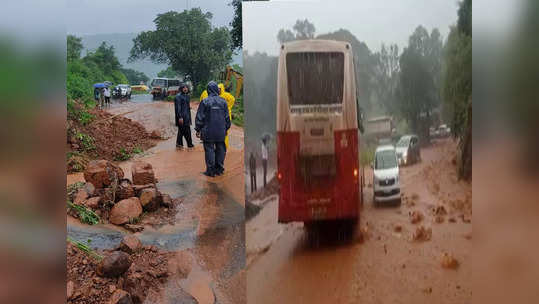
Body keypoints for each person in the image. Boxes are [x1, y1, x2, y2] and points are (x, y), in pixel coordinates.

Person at [195, 81, 230, 177]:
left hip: (208, 131)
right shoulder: (223, 101)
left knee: (209, 150)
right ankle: (219, 169)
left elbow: (200, 117)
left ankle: (210, 171)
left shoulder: (205, 101)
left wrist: (198, 129)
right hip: (221, 131)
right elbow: (227, 117)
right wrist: (226, 129)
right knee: (221, 149)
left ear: (208, 90)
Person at [200, 83, 235, 149]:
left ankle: (224, 146)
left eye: (220, 89)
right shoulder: (207, 95)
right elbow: (201, 100)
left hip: (224, 116)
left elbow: (232, 99)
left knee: (224, 132)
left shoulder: (225, 95)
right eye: (217, 89)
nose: (218, 90)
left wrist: (228, 107)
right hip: (213, 116)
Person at [174, 84, 194, 149]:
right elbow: (178, 108)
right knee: (185, 130)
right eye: (184, 88)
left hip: (187, 116)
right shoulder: (178, 97)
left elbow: (186, 105)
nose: (185, 89)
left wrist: (189, 107)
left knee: (183, 130)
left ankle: (180, 144)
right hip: (181, 117)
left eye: (186, 88)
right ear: (181, 88)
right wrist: (180, 117)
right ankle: (189, 144)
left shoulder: (187, 96)